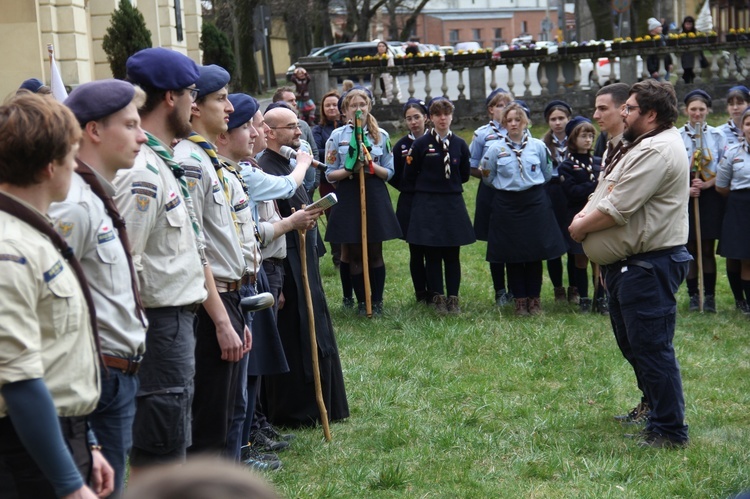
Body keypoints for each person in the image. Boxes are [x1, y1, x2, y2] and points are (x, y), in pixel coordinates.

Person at [0, 92, 113, 499]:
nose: (77, 165)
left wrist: (90, 443)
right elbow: (19, 380)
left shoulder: (34, 231)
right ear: (50, 167)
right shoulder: (9, 250)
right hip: (27, 454)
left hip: (65, 436)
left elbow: (60, 354)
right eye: (72, 155)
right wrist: (67, 484)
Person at [569, 80, 692, 449]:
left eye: (630, 108)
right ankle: (654, 410)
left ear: (651, 115)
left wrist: (579, 228)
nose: (623, 112)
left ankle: (670, 431)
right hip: (629, 265)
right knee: (634, 345)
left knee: (653, 349)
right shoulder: (638, 145)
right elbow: (606, 190)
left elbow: (617, 208)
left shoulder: (656, 150)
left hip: (648, 265)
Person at [50, 79, 147, 497]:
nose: (142, 135)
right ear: (93, 131)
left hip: (117, 371)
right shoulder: (73, 203)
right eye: (129, 125)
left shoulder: (94, 195)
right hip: (99, 376)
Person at [114, 47, 207, 472]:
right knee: (162, 453)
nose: (196, 103)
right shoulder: (143, 173)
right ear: (170, 96)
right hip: (159, 325)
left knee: (174, 440)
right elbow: (122, 263)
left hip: (177, 321)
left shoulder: (162, 162)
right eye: (191, 92)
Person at [216, 93, 320, 469]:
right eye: (251, 125)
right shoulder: (234, 171)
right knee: (244, 372)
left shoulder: (237, 169)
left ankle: (250, 437)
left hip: (254, 271)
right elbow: (280, 192)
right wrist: (292, 219)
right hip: (237, 281)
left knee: (253, 368)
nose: (257, 131)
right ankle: (241, 449)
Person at [172, 65, 252, 457]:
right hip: (210, 302)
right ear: (195, 107)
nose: (229, 108)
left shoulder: (207, 159)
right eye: (220, 99)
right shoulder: (188, 161)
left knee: (228, 415)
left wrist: (237, 313)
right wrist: (222, 318)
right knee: (210, 424)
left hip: (228, 297)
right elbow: (195, 245)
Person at [259, 105, 349, 428]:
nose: (299, 132)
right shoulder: (266, 167)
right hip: (285, 263)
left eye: (299, 126)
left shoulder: (287, 161)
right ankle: (297, 410)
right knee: (294, 329)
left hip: (305, 257)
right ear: (270, 131)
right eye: (292, 127)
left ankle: (324, 401)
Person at [482, 101, 566, 316]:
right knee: (513, 254)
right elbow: (488, 177)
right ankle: (519, 300)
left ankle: (534, 299)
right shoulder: (495, 149)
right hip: (507, 205)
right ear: (504, 124)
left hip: (534, 203)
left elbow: (547, 173)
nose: (513, 124)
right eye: (508, 121)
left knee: (534, 252)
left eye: (517, 120)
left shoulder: (538, 146)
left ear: (525, 122)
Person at [325, 87, 402, 315]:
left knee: (375, 251)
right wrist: (350, 168)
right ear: (345, 111)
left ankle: (376, 302)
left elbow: (389, 172)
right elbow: (329, 174)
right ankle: (361, 302)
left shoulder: (382, 136)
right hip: (349, 194)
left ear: (369, 107)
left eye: (362, 105)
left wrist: (369, 166)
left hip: (374, 193)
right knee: (356, 252)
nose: (358, 110)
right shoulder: (337, 137)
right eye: (353, 106)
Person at [404, 97, 475, 314]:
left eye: (446, 114)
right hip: (428, 203)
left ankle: (453, 298)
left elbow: (463, 175)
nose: (442, 118)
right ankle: (437, 297)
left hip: (452, 202)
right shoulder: (421, 144)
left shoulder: (459, 144)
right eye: (437, 114)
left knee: (452, 253)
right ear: (430, 118)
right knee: (432, 252)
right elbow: (410, 174)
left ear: (452, 116)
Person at [679, 90, 727, 313]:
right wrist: (687, 188)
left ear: (707, 110)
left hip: (708, 194)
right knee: (690, 248)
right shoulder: (677, 136)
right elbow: (673, 169)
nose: (697, 113)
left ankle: (709, 297)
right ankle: (693, 295)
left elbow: (725, 168)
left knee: (707, 248)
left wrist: (706, 185)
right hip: (686, 194)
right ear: (686, 110)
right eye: (693, 109)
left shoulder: (717, 135)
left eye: (701, 109)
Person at [468, 88, 513, 306]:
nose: (504, 110)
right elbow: (471, 165)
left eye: (507, 105)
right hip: (492, 192)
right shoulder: (482, 134)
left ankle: (516, 288)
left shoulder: (519, 131)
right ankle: (500, 290)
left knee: (515, 238)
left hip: (515, 192)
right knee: (496, 241)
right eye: (500, 105)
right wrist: (489, 176)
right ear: (491, 110)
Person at [591, 83, 630, 315]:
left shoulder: (637, 147)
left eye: (603, 109)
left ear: (624, 109)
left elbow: (621, 202)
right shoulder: (608, 145)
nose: (596, 115)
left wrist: (581, 225)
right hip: (612, 256)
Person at [312, 90, 351, 305]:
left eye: (335, 105)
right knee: (333, 216)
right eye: (327, 105)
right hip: (329, 182)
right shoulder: (320, 130)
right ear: (323, 109)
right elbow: (319, 152)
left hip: (346, 181)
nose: (331, 109)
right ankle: (338, 255)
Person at [558, 117, 600, 313]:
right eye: (583, 135)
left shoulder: (599, 162)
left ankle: (601, 297)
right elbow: (572, 192)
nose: (588, 140)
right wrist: (595, 185)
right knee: (580, 258)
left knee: (598, 258)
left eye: (591, 135)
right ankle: (583, 297)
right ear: (573, 139)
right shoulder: (566, 166)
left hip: (598, 216)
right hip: (577, 215)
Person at [390, 98, 430, 304]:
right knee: (415, 250)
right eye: (409, 119)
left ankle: (435, 291)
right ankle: (421, 293)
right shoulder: (402, 146)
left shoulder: (434, 141)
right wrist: (407, 189)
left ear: (426, 118)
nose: (413, 122)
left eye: (417, 117)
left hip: (432, 200)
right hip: (410, 202)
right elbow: (393, 174)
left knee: (432, 249)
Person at [717, 86, 750, 311]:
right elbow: (721, 185)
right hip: (740, 206)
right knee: (742, 256)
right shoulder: (733, 152)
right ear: (743, 127)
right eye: (748, 124)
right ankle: (742, 301)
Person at [542, 100, 576, 304]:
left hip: (571, 194)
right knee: (553, 242)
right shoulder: (543, 144)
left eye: (561, 118)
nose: (557, 123)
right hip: (551, 192)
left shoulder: (576, 141)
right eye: (553, 119)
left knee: (573, 241)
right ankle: (558, 289)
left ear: (568, 119)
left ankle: (574, 288)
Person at [680, 16, 699, 84]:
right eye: (687, 24)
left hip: (694, 60)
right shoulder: (681, 35)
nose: (688, 26)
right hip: (684, 61)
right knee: (686, 79)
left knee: (695, 79)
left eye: (690, 24)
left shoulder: (696, 34)